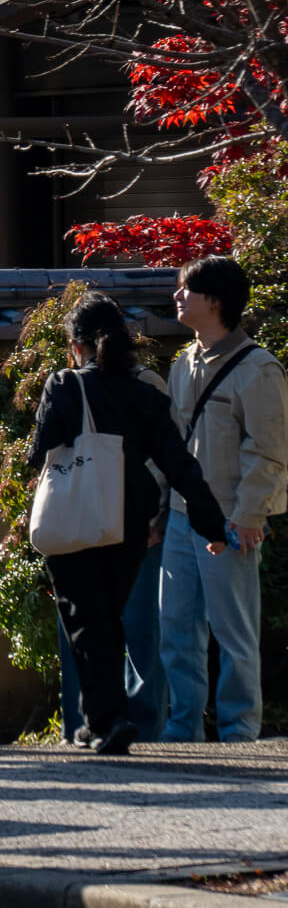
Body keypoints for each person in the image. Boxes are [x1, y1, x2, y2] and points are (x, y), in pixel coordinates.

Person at [30, 294, 229, 755]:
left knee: (86, 620)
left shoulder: (64, 384)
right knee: (108, 618)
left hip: (77, 513)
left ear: (74, 343)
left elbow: (39, 451)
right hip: (131, 519)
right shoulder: (145, 390)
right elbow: (179, 462)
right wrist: (211, 523)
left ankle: (105, 720)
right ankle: (103, 719)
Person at [161, 257, 288, 742]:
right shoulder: (182, 363)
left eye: (185, 289)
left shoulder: (258, 369)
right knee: (176, 629)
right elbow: (169, 446)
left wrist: (251, 514)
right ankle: (182, 734)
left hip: (233, 520)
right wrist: (158, 510)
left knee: (233, 634)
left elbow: (270, 451)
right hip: (179, 515)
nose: (176, 297)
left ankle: (239, 736)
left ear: (214, 300)